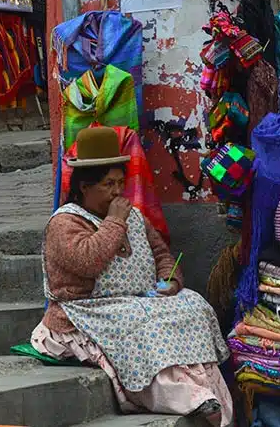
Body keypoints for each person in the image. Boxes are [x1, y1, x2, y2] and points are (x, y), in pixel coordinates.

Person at [31, 127, 232, 426]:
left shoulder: (134, 216)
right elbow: (88, 261)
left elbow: (163, 255)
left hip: (139, 300)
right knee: (144, 322)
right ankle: (187, 397)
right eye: (108, 184)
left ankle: (213, 395)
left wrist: (170, 281)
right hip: (86, 309)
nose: (116, 191)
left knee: (194, 305)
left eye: (120, 183)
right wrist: (114, 221)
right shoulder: (65, 222)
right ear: (85, 187)